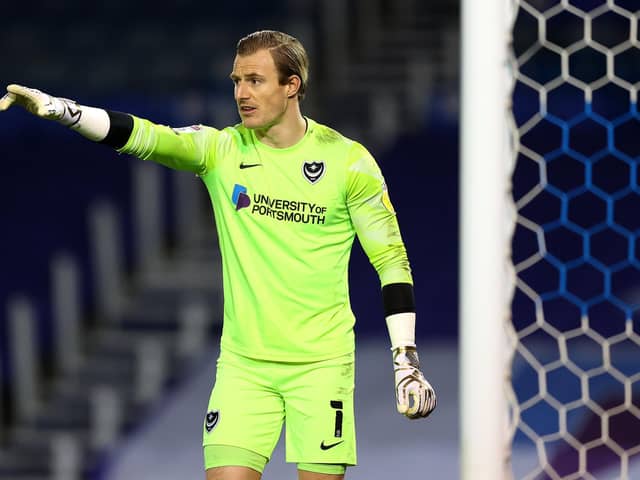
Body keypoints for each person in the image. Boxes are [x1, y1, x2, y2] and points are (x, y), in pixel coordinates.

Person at [0, 30, 436, 480]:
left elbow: (391, 262)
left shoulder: (349, 162)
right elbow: (144, 136)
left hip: (322, 365)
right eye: (236, 80)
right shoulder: (222, 150)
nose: (241, 94)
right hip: (244, 365)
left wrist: (406, 361)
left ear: (292, 86)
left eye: (255, 80)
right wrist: (63, 111)